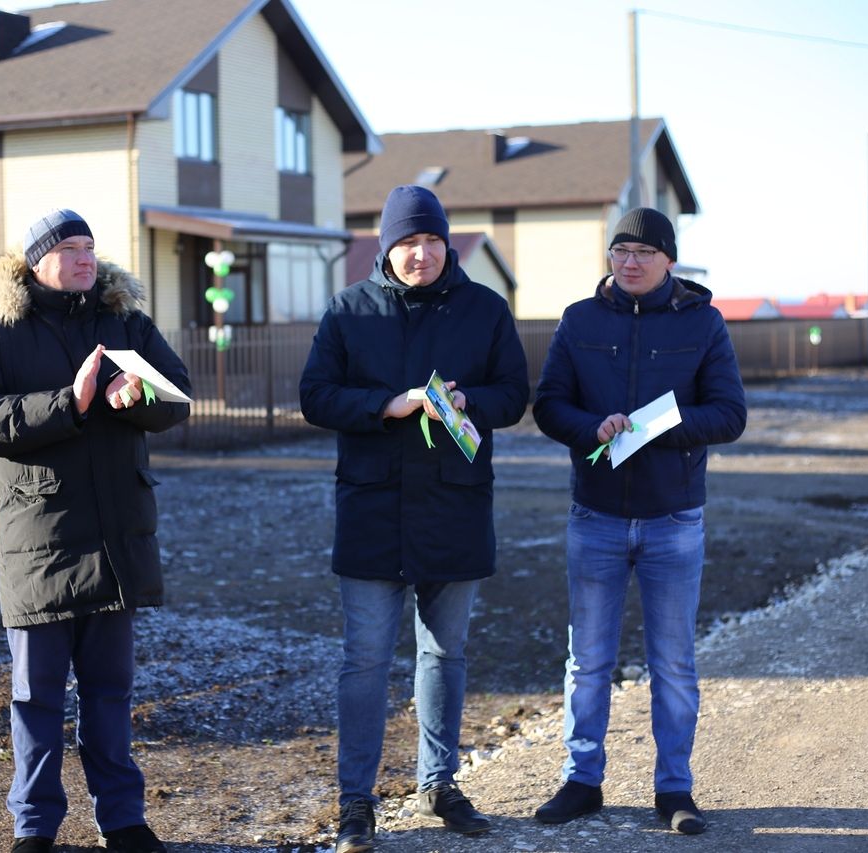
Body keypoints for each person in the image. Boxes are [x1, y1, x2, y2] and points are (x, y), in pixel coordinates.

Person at [0, 208, 190, 853]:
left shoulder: (124, 322)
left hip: (116, 539)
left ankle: (125, 822)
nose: (85, 259)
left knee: (111, 692)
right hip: (40, 541)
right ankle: (34, 828)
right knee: (36, 698)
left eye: (90, 247)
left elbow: (178, 397)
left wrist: (141, 398)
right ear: (34, 262)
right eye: (69, 249)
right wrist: (68, 404)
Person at [300, 185, 531, 852]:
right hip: (372, 508)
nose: (421, 253)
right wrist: (389, 404)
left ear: (447, 243)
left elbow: (514, 393)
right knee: (366, 659)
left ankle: (440, 783)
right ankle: (355, 801)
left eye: (432, 240)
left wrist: (468, 399)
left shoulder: (485, 309)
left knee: (445, 653)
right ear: (386, 246)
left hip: (454, 506)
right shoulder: (349, 310)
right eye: (407, 242)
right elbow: (316, 394)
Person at [530, 207, 746, 835]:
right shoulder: (579, 320)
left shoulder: (703, 323)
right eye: (620, 249)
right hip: (593, 515)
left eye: (643, 252)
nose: (630, 261)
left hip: (673, 520)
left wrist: (661, 428)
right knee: (587, 660)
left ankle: (674, 789)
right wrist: (587, 427)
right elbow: (549, 406)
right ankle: (581, 781)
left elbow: (729, 415)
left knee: (673, 662)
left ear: (669, 260)